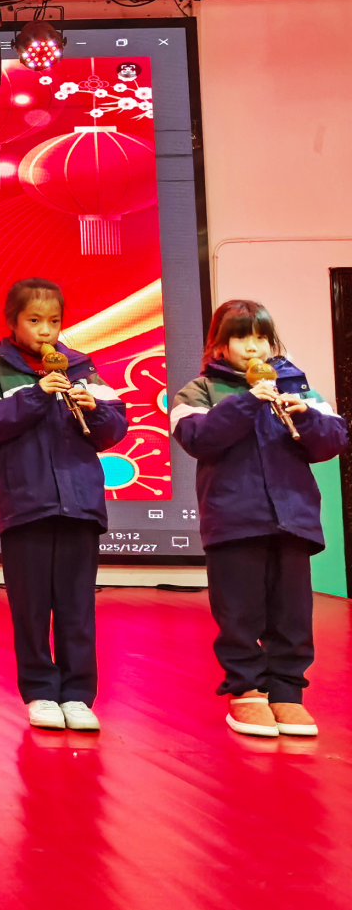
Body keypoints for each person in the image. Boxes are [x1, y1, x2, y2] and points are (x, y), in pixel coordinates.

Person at [170, 299, 346, 737]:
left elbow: (333, 441)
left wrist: (308, 418)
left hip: (293, 518)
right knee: (240, 613)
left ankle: (287, 693)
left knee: (292, 614)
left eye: (261, 338)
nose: (253, 347)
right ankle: (246, 691)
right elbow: (198, 438)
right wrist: (248, 402)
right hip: (233, 519)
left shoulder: (297, 387)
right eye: (241, 338)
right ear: (220, 346)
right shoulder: (199, 390)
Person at [0, 278, 127, 731]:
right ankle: (40, 691)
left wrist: (93, 407)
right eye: (34, 320)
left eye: (53, 321)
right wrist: (38, 394)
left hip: (80, 505)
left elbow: (115, 430)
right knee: (31, 607)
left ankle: (78, 695)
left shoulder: (83, 368)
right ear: (13, 322)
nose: (45, 331)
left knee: (77, 607)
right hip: (25, 505)